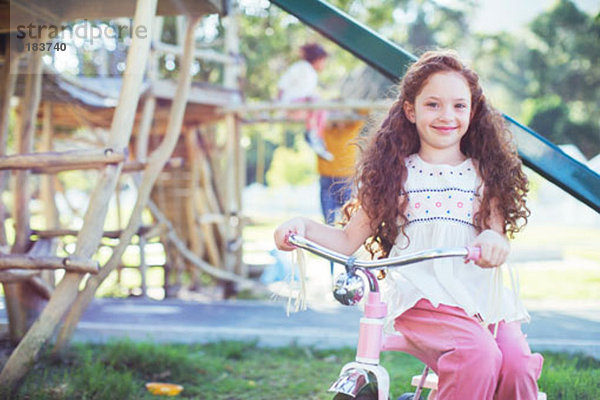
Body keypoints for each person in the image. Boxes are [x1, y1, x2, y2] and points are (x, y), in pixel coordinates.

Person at [274, 50, 543, 399]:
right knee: (477, 355)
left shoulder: (484, 175)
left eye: (459, 106)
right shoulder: (394, 174)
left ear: (473, 111)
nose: (447, 115)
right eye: (433, 104)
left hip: (482, 297)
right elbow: (345, 241)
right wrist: (303, 228)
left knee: (517, 365)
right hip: (425, 299)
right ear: (410, 110)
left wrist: (494, 244)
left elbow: (497, 235)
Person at [278, 43, 333, 161]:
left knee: (320, 107)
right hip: (292, 104)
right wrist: (280, 104)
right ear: (318, 59)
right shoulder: (302, 67)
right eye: (323, 61)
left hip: (300, 107)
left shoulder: (311, 73)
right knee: (318, 103)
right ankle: (314, 136)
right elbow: (283, 84)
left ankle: (315, 137)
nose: (324, 65)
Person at [317, 119, 363, 225]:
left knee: (348, 219)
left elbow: (362, 112)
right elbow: (317, 119)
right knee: (329, 220)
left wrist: (346, 113)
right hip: (327, 178)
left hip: (346, 179)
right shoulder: (326, 131)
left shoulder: (351, 128)